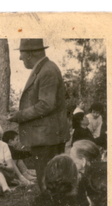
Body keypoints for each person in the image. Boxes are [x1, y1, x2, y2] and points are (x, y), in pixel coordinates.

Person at [8, 38, 69, 190]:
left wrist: (19, 115)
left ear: (29, 54)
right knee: (50, 180)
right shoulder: (45, 69)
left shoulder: (47, 71)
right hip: (47, 137)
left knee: (47, 181)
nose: (20, 58)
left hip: (47, 139)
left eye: (22, 55)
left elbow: (46, 105)